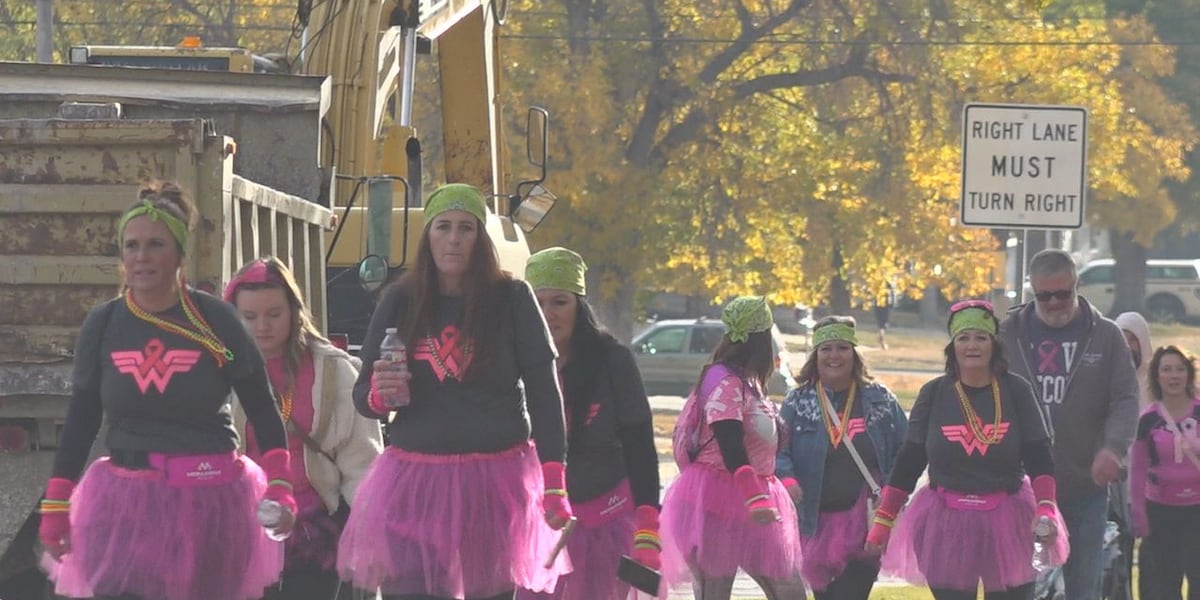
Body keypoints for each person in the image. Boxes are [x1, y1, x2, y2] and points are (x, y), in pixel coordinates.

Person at [37, 181, 295, 600]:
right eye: (131, 245)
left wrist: (281, 483)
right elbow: (82, 419)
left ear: (179, 253)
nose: (142, 256)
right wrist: (56, 501)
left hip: (209, 503)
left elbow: (262, 406)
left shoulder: (217, 319)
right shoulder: (103, 324)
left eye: (155, 244)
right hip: (123, 505)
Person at [335, 183, 572, 600]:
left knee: (491, 592)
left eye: (467, 228)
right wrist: (381, 394)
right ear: (427, 236)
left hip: (495, 481)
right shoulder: (400, 300)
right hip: (416, 480)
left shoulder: (513, 298)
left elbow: (545, 396)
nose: (454, 238)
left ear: (481, 238)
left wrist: (554, 480)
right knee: (409, 591)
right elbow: (363, 398)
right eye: (443, 226)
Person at [866, 299, 1068, 599]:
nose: (972, 345)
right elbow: (910, 459)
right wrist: (884, 519)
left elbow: (1039, 454)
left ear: (993, 344)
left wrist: (1046, 507)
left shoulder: (1016, 390)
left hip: (1008, 517)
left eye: (981, 337)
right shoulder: (934, 393)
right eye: (963, 338)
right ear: (953, 346)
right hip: (945, 521)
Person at [225, 256, 384, 600]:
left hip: (314, 538)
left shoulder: (335, 372)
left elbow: (363, 463)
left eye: (274, 314)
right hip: (239, 534)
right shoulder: (216, 373)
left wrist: (373, 526)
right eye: (249, 317)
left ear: (294, 312)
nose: (262, 326)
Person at [516, 247, 661, 599]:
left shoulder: (613, 359)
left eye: (559, 302)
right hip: (536, 525)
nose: (548, 314)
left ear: (580, 305)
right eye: (538, 302)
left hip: (607, 522)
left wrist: (647, 525)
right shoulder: (514, 359)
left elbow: (640, 443)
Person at [999, 248, 1139, 598]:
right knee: (1015, 588)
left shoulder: (1105, 336)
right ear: (1033, 291)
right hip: (1019, 488)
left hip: (1083, 488)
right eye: (1044, 296)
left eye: (1062, 294)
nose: (1054, 303)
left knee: (1082, 589)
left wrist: (1113, 448)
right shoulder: (1007, 335)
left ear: (1077, 286)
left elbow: (1125, 399)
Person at [660, 296, 804, 600]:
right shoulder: (723, 377)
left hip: (756, 493)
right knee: (715, 591)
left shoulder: (750, 381)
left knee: (789, 589)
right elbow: (728, 438)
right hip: (716, 496)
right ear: (763, 340)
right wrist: (753, 495)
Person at [776, 316, 908, 599]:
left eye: (842, 348)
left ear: (854, 354)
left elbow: (906, 450)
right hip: (813, 521)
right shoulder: (798, 401)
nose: (834, 356)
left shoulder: (880, 399)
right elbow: (778, 449)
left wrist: (891, 489)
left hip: (864, 520)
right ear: (816, 355)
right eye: (826, 349)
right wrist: (787, 479)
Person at [1129, 345, 1200, 600]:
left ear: (1189, 375)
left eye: (1180, 369)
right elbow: (1137, 472)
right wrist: (1139, 516)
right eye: (1167, 370)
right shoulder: (1147, 420)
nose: (1173, 376)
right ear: (1157, 376)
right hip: (1160, 513)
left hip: (1197, 512)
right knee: (1162, 587)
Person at [1115, 311, 1155, 409]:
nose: (1127, 345)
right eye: (1122, 337)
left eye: (1132, 339)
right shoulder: (1103, 380)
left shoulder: (1157, 383)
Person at [873, 282, 897, 350]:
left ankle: (881, 337)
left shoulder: (878, 283)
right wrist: (893, 304)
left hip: (879, 305)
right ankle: (881, 338)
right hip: (886, 306)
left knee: (881, 323)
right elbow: (892, 295)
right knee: (884, 323)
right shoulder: (889, 284)